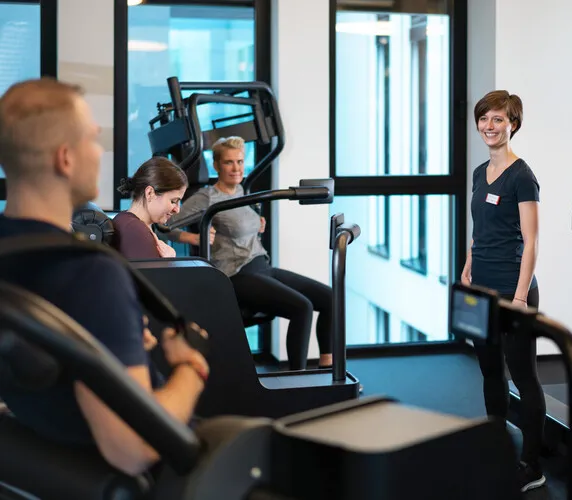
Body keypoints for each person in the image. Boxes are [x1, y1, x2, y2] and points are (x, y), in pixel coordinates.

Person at [0, 78, 209, 476]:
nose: (100, 152)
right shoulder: (91, 274)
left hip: (49, 459)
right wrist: (191, 366)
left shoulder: (13, 252)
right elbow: (135, 448)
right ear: (65, 159)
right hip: (151, 474)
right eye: (93, 140)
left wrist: (115, 335)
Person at [166, 136, 333, 370]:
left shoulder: (242, 191)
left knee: (329, 298)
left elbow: (239, 225)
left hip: (263, 267)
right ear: (216, 165)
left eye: (240, 161)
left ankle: (327, 368)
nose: (236, 168)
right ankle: (298, 376)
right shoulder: (207, 197)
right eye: (229, 162)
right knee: (302, 307)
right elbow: (164, 225)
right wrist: (192, 237)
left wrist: (256, 223)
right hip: (236, 274)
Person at [461, 90, 546, 493]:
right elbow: (479, 229)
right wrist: (468, 264)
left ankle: (532, 464)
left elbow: (531, 242)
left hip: (513, 290)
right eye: (484, 119)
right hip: (482, 288)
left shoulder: (522, 176)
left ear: (513, 124)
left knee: (523, 376)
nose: (489, 126)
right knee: (491, 371)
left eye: (498, 119)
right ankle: (496, 445)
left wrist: (520, 298)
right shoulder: (480, 173)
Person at [112, 156, 216, 259]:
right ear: (150, 193)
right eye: (173, 201)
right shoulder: (135, 230)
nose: (177, 210)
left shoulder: (128, 221)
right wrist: (168, 261)